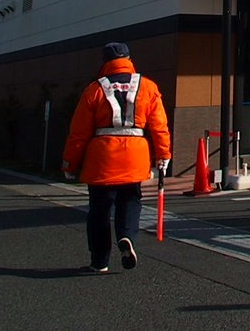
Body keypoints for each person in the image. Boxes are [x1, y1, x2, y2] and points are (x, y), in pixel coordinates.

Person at [62, 41, 171, 274]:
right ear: (128, 59)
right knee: (130, 200)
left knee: (99, 211)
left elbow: (78, 133)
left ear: (105, 62)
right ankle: (127, 236)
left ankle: (99, 261)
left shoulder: (94, 89)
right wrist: (163, 155)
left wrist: (70, 163)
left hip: (102, 157)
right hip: (135, 155)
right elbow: (159, 126)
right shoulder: (147, 86)